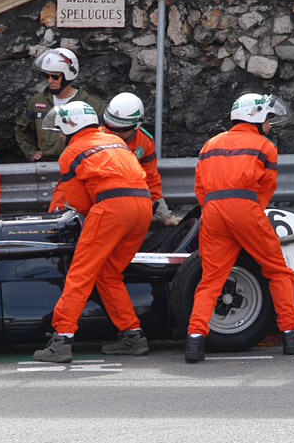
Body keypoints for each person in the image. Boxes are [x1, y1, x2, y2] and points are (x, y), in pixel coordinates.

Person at [184, 93, 294, 363]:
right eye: (268, 119)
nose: (270, 125)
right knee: (278, 271)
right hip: (245, 209)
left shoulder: (210, 144)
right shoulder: (265, 146)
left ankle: (195, 340)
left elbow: (200, 188)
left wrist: (218, 210)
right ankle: (290, 335)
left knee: (211, 280)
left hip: (213, 213)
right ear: (256, 116)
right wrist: (246, 215)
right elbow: (266, 189)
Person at [32, 101, 153, 363]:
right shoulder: (115, 141)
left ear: (70, 125)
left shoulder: (70, 153)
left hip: (111, 208)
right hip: (143, 207)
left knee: (81, 273)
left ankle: (62, 339)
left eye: (61, 129)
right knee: (109, 273)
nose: (60, 135)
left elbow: (80, 204)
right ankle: (133, 334)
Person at [14, 47, 104, 210]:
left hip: (77, 168)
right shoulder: (38, 101)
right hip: (46, 165)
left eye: (55, 76)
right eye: (46, 76)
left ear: (68, 75)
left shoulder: (90, 103)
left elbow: (101, 136)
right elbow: (22, 130)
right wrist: (31, 152)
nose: (50, 81)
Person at [102, 92, 181, 227]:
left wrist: (164, 215)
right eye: (110, 126)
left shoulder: (144, 142)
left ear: (135, 125)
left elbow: (151, 180)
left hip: (127, 204)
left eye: (121, 129)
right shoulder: (96, 136)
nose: (115, 132)